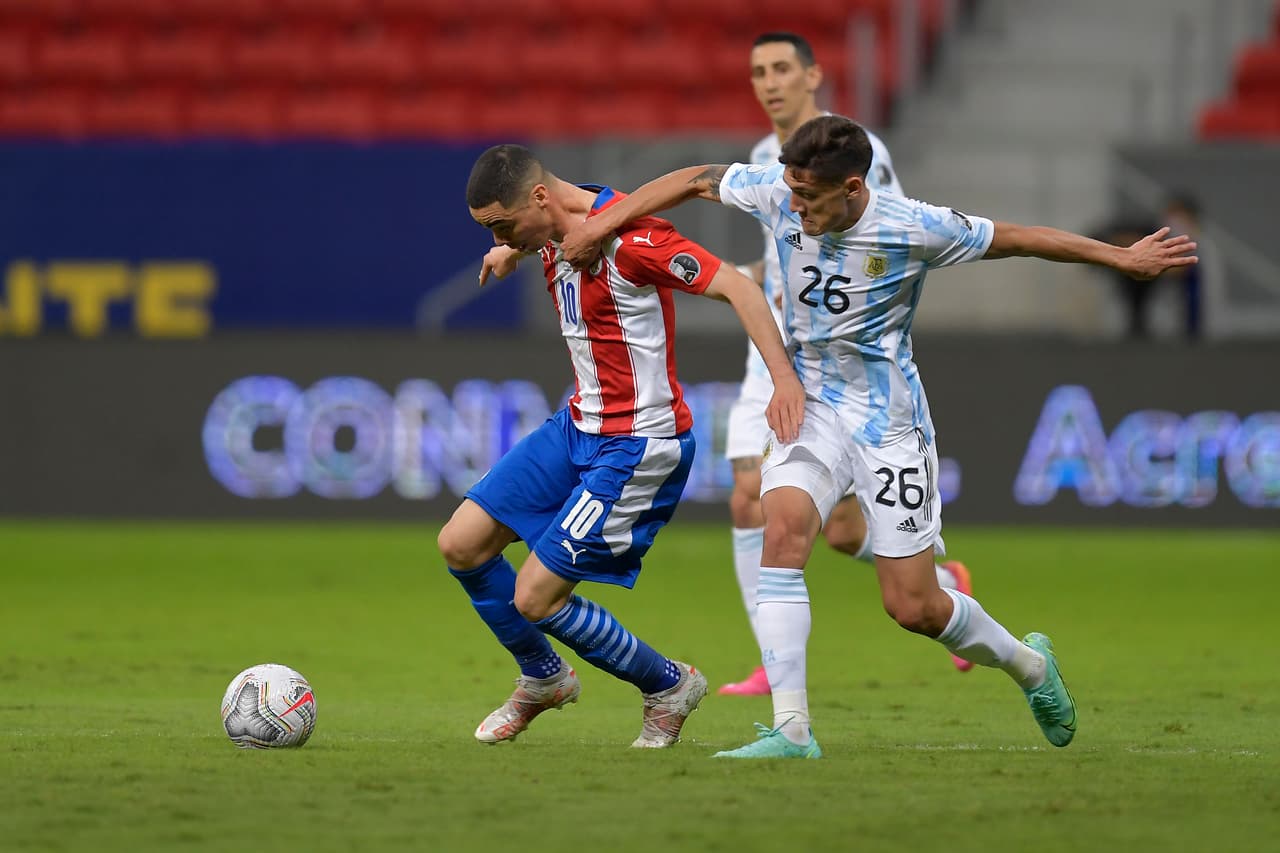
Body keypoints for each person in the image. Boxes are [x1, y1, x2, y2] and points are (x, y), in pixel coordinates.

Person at [559, 116, 1197, 758]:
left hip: (888, 424)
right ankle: (792, 731)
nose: (795, 205)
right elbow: (694, 178)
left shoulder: (912, 225)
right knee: (778, 532)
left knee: (914, 607)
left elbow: (1018, 238)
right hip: (810, 405)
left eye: (810, 196)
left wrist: (1120, 257)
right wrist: (601, 224)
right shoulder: (778, 190)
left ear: (854, 187)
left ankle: (1028, 666)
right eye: (791, 190)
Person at [437, 143, 805, 749]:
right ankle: (543, 676)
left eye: (502, 224)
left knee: (533, 596)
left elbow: (739, 287)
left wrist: (784, 379)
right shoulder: (554, 227)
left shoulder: (632, 243)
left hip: (638, 444)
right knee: (461, 544)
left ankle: (667, 686)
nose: (500, 236)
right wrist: (512, 248)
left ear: (538, 198)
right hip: (578, 427)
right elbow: (560, 225)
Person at [719, 32, 973, 698]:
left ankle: (941, 586)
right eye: (758, 72)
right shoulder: (760, 160)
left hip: (841, 361)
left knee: (842, 532)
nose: (770, 83)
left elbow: (880, 241)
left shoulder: (862, 153)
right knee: (749, 492)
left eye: (781, 69)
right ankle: (770, 662)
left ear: (813, 76)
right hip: (774, 343)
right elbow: (779, 260)